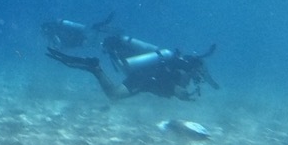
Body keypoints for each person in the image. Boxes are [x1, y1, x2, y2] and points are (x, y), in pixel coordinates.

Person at [46, 34, 219, 101]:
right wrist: (187, 96)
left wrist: (211, 83)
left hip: (145, 75)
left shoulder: (181, 61)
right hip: (145, 78)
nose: (198, 78)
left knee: (114, 95)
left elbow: (203, 68)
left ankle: (94, 68)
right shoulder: (183, 68)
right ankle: (95, 68)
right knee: (114, 95)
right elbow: (178, 90)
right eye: (198, 75)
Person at [41, 12, 118, 49]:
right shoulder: (54, 31)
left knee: (93, 37)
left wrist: (57, 48)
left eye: (45, 31)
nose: (45, 33)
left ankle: (108, 30)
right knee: (93, 32)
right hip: (78, 38)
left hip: (78, 37)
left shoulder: (54, 32)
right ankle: (105, 26)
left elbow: (58, 43)